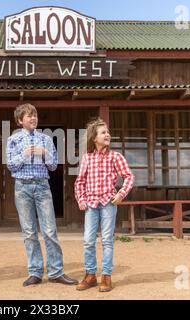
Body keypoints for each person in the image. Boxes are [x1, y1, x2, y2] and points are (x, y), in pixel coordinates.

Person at [6, 103, 78, 287]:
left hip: (42, 187)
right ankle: (35, 272)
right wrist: (23, 155)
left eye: (35, 115)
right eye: (29, 116)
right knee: (29, 232)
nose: (33, 118)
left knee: (50, 231)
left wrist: (45, 153)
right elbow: (11, 166)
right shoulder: (13, 140)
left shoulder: (46, 139)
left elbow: (54, 166)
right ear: (20, 120)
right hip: (22, 188)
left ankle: (56, 272)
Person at [74, 118, 134, 292]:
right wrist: (81, 199)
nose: (107, 134)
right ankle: (90, 275)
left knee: (107, 240)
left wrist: (121, 194)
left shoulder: (116, 157)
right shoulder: (87, 158)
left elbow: (129, 176)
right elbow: (80, 181)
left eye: (108, 132)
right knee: (88, 241)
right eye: (103, 132)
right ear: (94, 138)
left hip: (108, 203)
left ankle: (106, 276)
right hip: (91, 204)